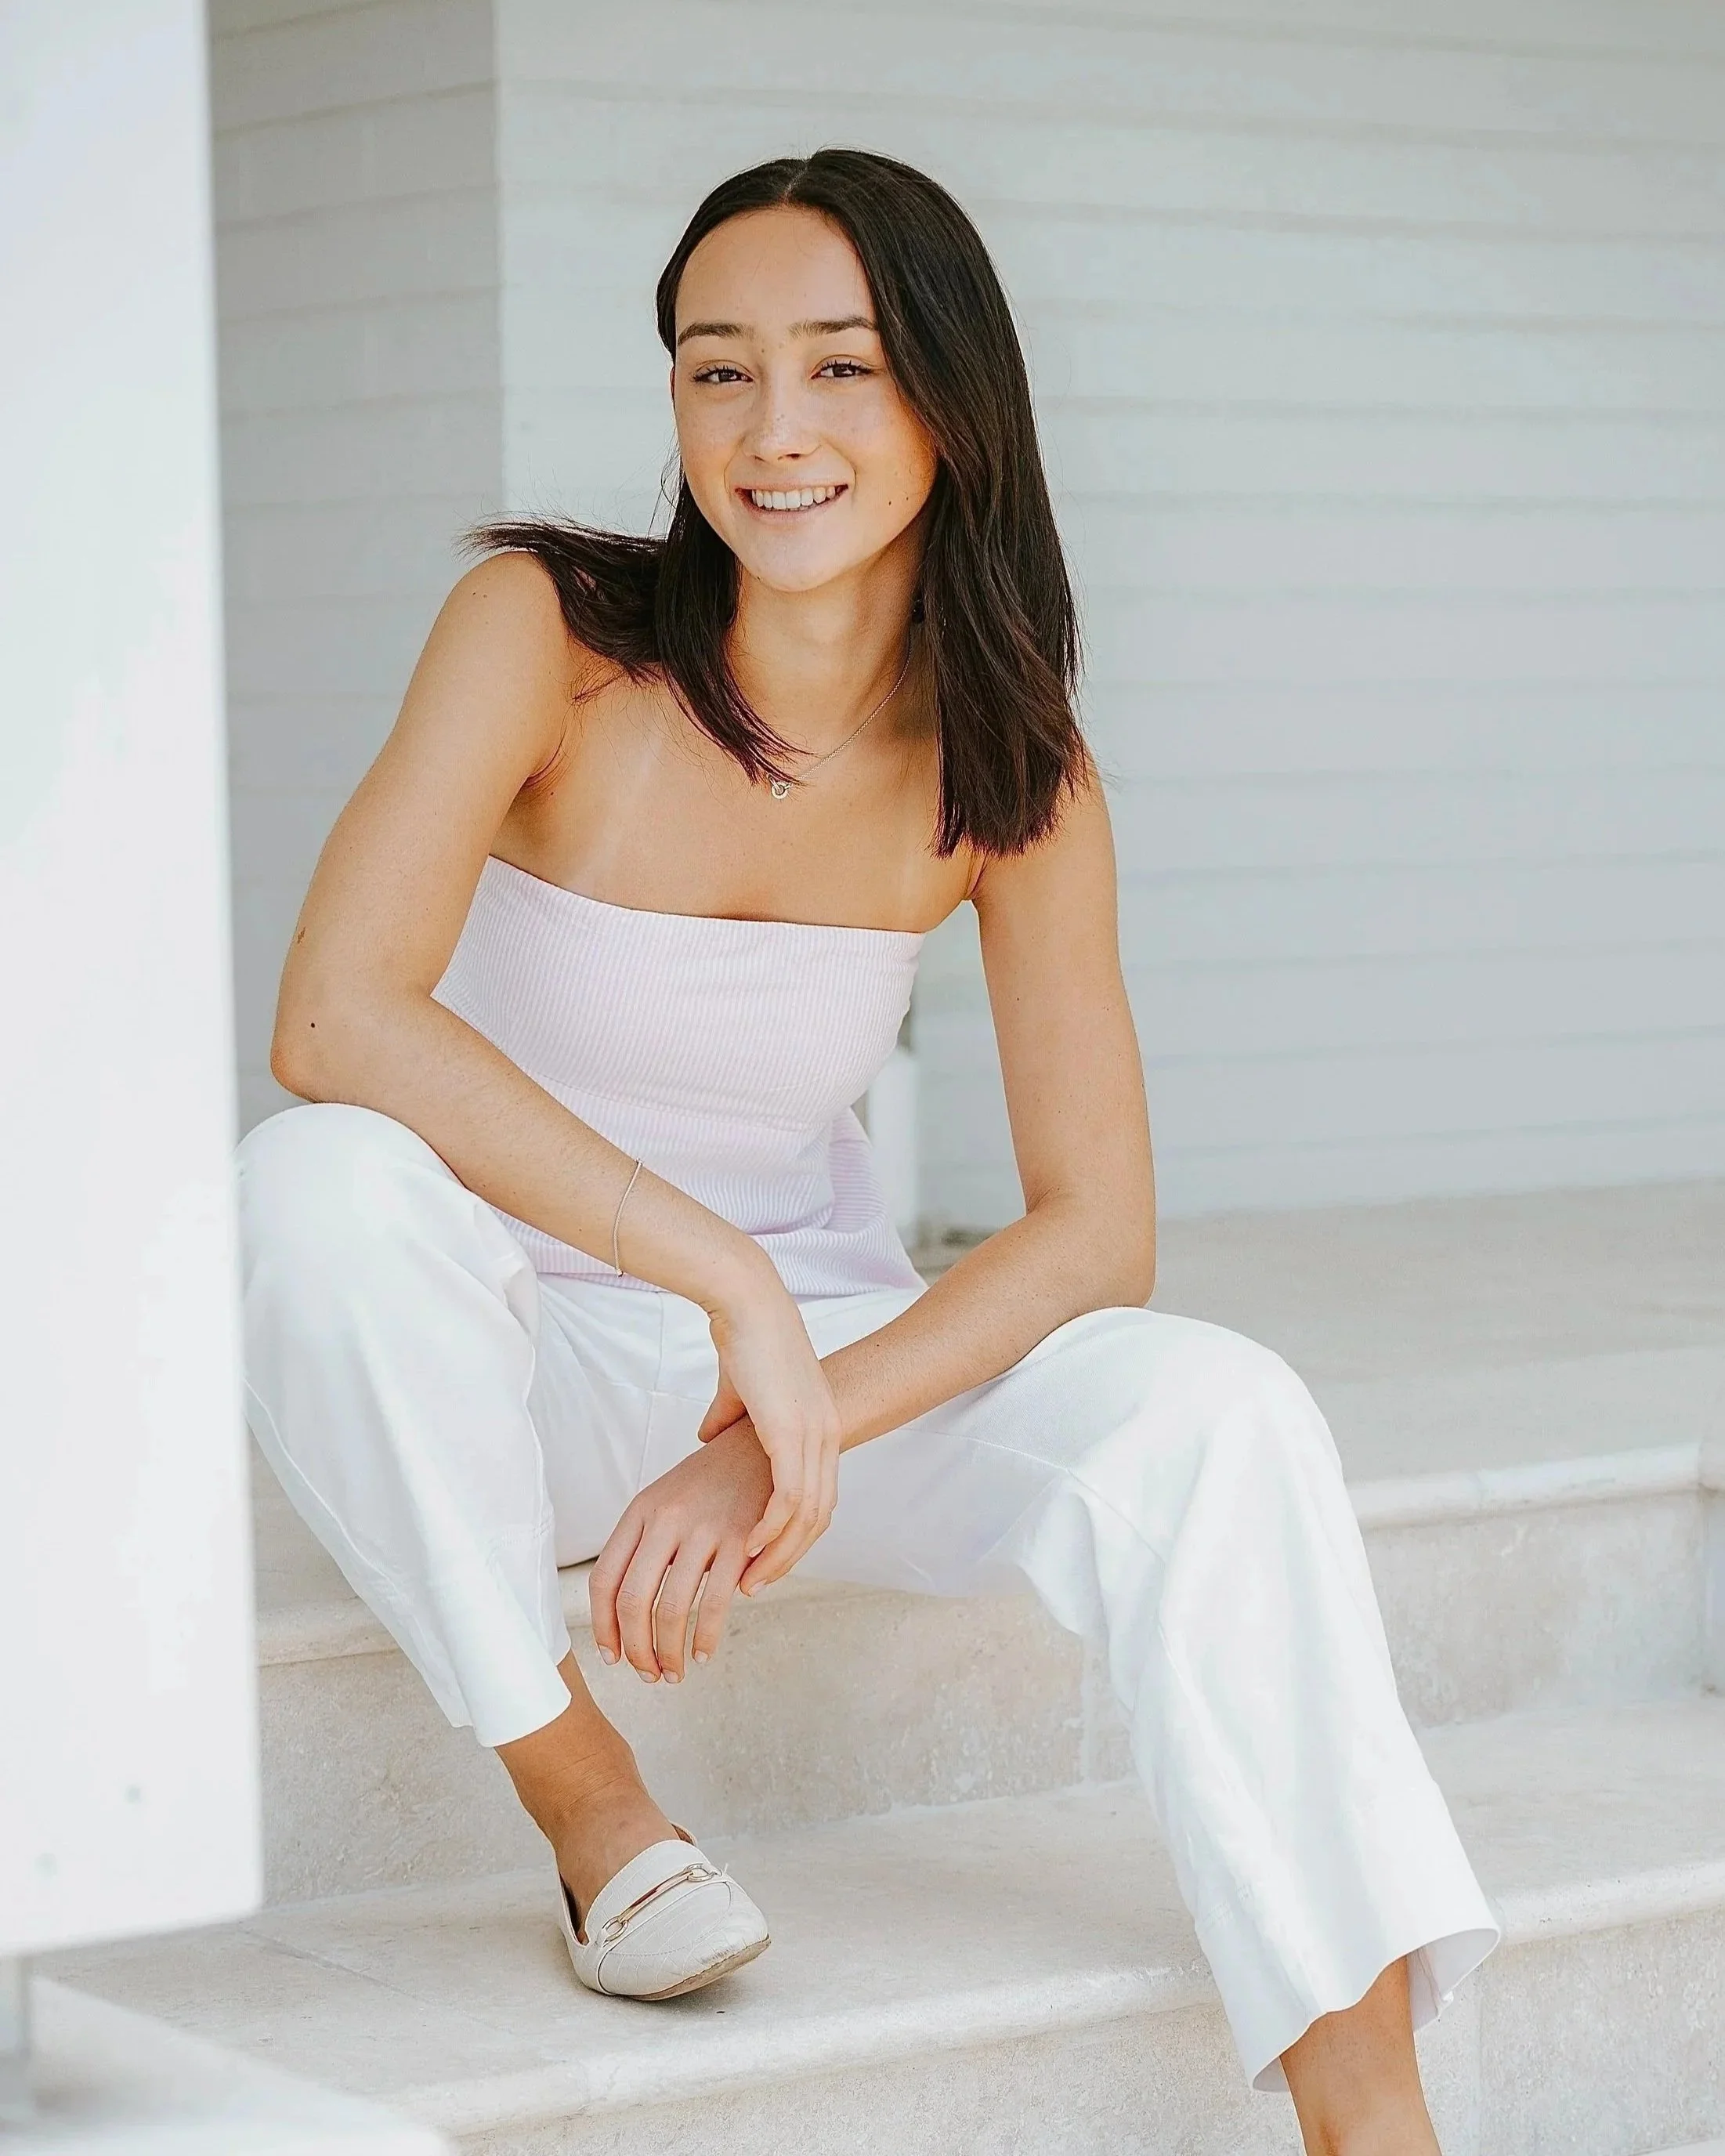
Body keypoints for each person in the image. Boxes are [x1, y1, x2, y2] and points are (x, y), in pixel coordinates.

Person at [240, 149, 1498, 2152]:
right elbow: (334, 1021)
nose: (775, 429)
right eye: (716, 371)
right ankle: (594, 1808)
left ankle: (1376, 2120)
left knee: (1222, 1412)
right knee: (307, 1190)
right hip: (509, 1345)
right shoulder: (547, 633)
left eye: (840, 367)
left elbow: (1097, 1229)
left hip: (803, 1386)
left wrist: (776, 1405)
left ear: (949, 402)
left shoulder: (1015, 766)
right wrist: (718, 1272)